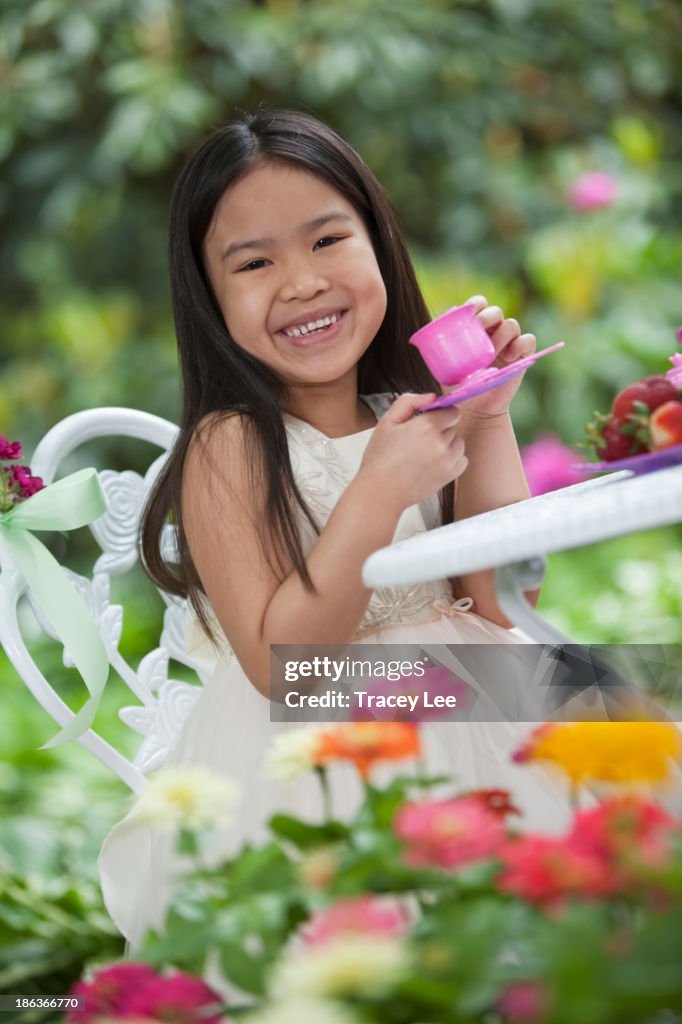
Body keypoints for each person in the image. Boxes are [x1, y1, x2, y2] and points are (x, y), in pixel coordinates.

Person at [98, 108, 575, 947]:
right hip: (324, 747)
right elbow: (286, 673)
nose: (303, 281)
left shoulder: (409, 417)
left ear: (379, 245)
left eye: (327, 241)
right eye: (254, 262)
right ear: (209, 297)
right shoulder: (230, 446)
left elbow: (502, 606)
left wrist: (489, 417)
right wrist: (376, 493)